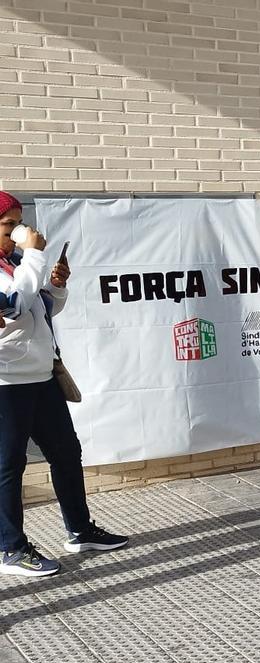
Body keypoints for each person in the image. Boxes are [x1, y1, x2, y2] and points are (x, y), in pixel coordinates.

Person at [0, 191, 128, 578]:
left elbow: (41, 309)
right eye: (9, 225)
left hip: (42, 375)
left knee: (67, 453)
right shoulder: (22, 263)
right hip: (6, 382)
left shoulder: (17, 262)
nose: (19, 231)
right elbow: (11, 304)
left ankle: (79, 529)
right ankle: (10, 548)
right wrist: (35, 256)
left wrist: (56, 286)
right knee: (8, 465)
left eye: (19, 222)